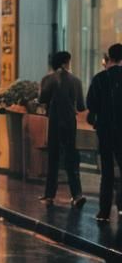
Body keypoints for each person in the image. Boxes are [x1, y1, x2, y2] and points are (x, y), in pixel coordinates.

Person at [39, 51, 85, 207]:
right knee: (71, 158)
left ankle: (49, 195)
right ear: (66, 62)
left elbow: (42, 99)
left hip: (54, 122)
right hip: (70, 123)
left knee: (53, 158)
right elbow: (81, 106)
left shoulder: (48, 79)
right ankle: (77, 195)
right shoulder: (76, 81)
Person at [85, 43, 122, 222]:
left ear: (110, 57)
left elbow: (90, 104)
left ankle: (104, 212)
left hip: (105, 130)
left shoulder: (99, 78)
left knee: (107, 172)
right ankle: (121, 207)